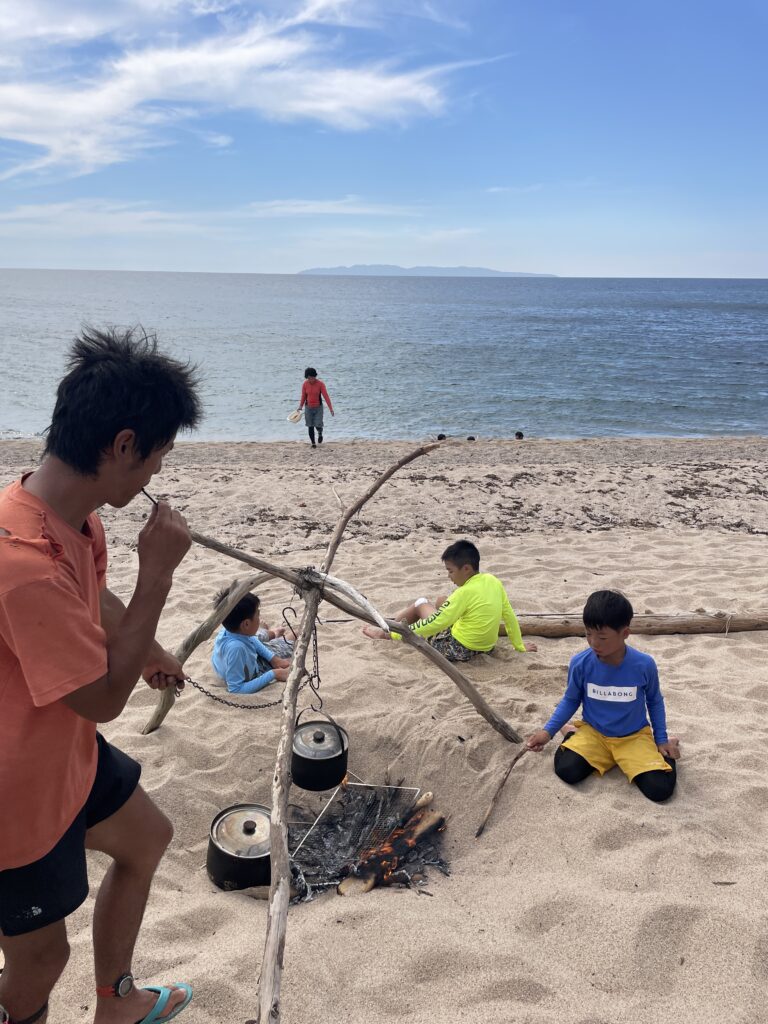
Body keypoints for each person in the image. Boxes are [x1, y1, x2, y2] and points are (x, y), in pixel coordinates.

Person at [0, 327, 200, 1024]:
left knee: (147, 838)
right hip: (15, 795)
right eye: (157, 457)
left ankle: (117, 1002)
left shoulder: (65, 515)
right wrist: (158, 577)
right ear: (123, 444)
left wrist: (149, 648)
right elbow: (105, 700)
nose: (154, 477)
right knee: (39, 961)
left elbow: (92, 594)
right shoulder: (21, 563)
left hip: (66, 756)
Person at [526, 589, 680, 802]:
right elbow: (571, 700)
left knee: (660, 789)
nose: (594, 643)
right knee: (566, 770)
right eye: (588, 633)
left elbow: (655, 701)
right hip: (595, 734)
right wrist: (548, 732)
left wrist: (661, 739)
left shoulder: (644, 664)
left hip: (633, 737)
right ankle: (572, 733)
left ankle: (667, 744)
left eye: (602, 637)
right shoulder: (580, 663)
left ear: (625, 633)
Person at [362, 539, 536, 662]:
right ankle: (391, 628)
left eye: (450, 571)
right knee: (441, 601)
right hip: (486, 648)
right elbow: (509, 615)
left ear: (466, 569)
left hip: (458, 649)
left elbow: (437, 624)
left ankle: (386, 632)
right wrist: (519, 645)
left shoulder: (464, 592)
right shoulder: (493, 581)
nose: (449, 576)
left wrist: (399, 633)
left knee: (421, 603)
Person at [210, 590, 292, 693]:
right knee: (293, 637)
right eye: (258, 614)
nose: (259, 617)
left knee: (263, 635)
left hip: (249, 646)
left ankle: (272, 633)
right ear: (246, 624)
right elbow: (236, 689)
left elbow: (250, 638)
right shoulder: (236, 649)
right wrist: (275, 674)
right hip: (253, 667)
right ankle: (271, 633)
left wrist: (274, 659)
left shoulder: (229, 629)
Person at [297, 367, 334, 448]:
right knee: (310, 425)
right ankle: (313, 443)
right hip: (308, 408)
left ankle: (320, 433)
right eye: (309, 378)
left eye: (312, 377)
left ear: (315, 376)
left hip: (318, 408)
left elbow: (326, 396)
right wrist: (300, 406)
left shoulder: (320, 384)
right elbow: (303, 396)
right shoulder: (305, 384)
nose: (311, 379)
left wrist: (331, 409)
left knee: (318, 425)